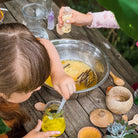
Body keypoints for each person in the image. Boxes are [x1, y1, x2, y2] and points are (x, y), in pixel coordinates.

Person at [0, 23, 75, 138]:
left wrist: (58, 72)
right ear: (3, 93)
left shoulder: (9, 44)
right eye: (30, 89)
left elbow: (45, 43)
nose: (39, 87)